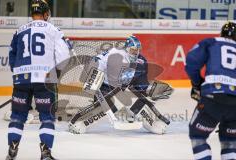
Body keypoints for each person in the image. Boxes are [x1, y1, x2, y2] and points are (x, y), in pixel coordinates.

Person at [68, 35, 173, 134]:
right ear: (127, 48)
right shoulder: (115, 54)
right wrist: (93, 76)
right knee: (107, 105)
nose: (135, 53)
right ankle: (79, 122)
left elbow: (139, 82)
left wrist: (145, 92)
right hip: (105, 86)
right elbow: (98, 60)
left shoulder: (141, 61)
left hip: (122, 89)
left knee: (137, 101)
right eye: (133, 50)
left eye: (137, 50)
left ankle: (153, 123)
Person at [6, 0, 70, 159]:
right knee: (47, 117)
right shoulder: (54, 29)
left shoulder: (19, 30)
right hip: (45, 80)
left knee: (17, 116)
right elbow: (64, 57)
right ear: (46, 13)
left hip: (22, 79)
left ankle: (12, 147)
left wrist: (18, 73)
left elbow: (12, 54)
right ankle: (45, 152)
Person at [185, 22, 236, 160]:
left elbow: (191, 62)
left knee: (198, 136)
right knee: (230, 142)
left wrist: (197, 83)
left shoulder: (211, 42)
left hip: (213, 96)